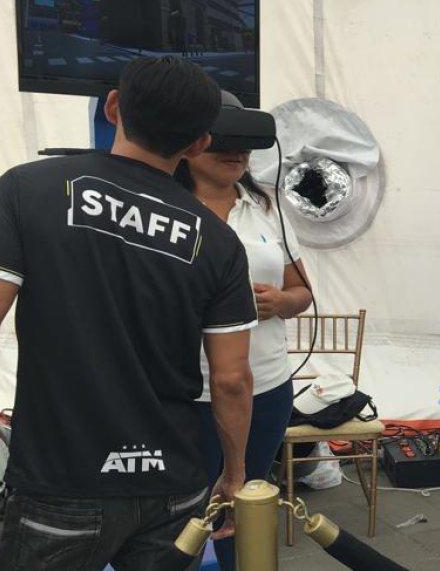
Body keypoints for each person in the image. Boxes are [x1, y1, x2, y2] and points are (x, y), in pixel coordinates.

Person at [0, 56, 257, 570]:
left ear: (113, 107)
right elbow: (231, 379)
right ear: (199, 143)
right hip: (172, 486)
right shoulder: (219, 241)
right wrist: (234, 474)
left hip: (62, 482)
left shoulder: (27, 190)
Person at [175, 92, 313, 571]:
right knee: (183, 514)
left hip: (266, 387)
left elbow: (303, 291)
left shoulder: (266, 206)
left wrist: (280, 302)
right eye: (222, 140)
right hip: (185, 392)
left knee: (247, 504)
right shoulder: (162, 206)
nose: (236, 152)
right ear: (190, 143)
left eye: (245, 143)